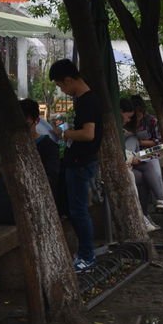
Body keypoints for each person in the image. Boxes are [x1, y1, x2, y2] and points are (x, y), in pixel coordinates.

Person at [0, 98, 61, 295]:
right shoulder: (7, 144)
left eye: (25, 123)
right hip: (4, 202)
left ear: (36, 121)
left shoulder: (47, 146)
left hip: (29, 205)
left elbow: (52, 177)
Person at [49, 58, 102, 272]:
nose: (62, 90)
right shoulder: (84, 99)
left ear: (69, 80)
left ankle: (87, 256)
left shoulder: (88, 101)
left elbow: (88, 134)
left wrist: (63, 133)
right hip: (78, 160)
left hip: (81, 162)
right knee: (76, 209)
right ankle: (84, 253)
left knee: (79, 211)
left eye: (61, 85)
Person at [120, 98, 163, 233]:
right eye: (130, 116)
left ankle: (147, 211)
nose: (131, 120)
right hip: (129, 163)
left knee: (149, 167)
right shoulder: (122, 131)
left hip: (136, 158)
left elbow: (158, 143)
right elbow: (128, 157)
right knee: (147, 171)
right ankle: (154, 204)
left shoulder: (149, 121)